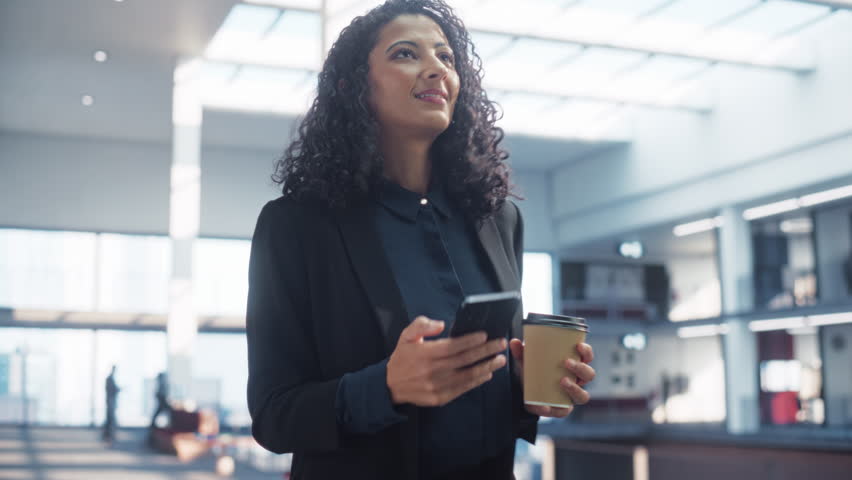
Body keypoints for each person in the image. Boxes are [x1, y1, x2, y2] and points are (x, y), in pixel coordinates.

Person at [245, 1, 596, 478]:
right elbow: (274, 415)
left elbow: (484, 392)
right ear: (353, 87)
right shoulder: (297, 226)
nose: (436, 69)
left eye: (446, 57)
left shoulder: (498, 219)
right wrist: (386, 387)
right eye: (406, 53)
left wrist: (524, 383)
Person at [103, 365, 120, 442]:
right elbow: (111, 390)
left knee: (110, 419)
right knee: (111, 419)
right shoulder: (109, 379)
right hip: (110, 402)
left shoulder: (110, 378)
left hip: (110, 401)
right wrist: (117, 389)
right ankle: (108, 435)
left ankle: (108, 435)